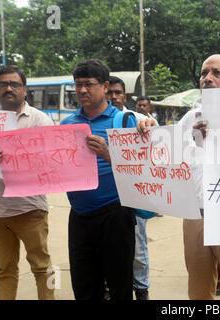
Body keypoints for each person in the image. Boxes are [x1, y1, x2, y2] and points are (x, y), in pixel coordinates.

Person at [138, 54, 220, 300]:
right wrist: (150, 131)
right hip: (195, 215)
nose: (208, 79)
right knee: (198, 288)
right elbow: (164, 158)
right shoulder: (190, 118)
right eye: (204, 73)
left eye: (217, 73)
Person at [61, 59, 137, 300]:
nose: (82, 90)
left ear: (105, 86)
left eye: (88, 84)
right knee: (84, 286)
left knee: (120, 284)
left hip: (115, 214)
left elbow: (139, 168)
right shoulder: (67, 124)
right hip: (79, 215)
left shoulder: (125, 121)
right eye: (77, 85)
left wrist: (108, 153)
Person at [0, 65, 55, 300]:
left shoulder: (39, 119)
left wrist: (17, 158)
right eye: (2, 84)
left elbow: (52, 161)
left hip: (29, 208)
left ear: (24, 89)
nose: (9, 88)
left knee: (42, 267)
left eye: (14, 84)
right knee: (4, 270)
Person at [105, 75, 152, 300]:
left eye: (118, 92)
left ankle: (141, 289)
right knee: (107, 247)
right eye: (110, 92)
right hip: (108, 198)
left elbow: (156, 153)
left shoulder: (140, 119)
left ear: (124, 95)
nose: (114, 96)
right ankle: (107, 286)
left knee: (138, 249)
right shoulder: (98, 122)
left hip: (135, 195)